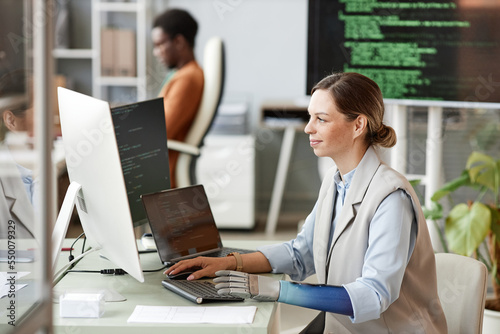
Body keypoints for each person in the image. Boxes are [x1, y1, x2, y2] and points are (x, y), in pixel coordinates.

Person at [165, 72, 448, 333]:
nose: (308, 128)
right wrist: (231, 263)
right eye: (310, 117)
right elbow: (301, 253)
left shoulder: (391, 200)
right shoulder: (335, 181)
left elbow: (373, 296)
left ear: (358, 125)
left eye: (321, 119)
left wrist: (275, 289)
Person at [152, 8, 204, 188]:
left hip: (163, 171)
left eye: (159, 45)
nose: (156, 52)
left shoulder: (187, 78)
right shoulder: (182, 74)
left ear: (179, 41)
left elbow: (158, 133)